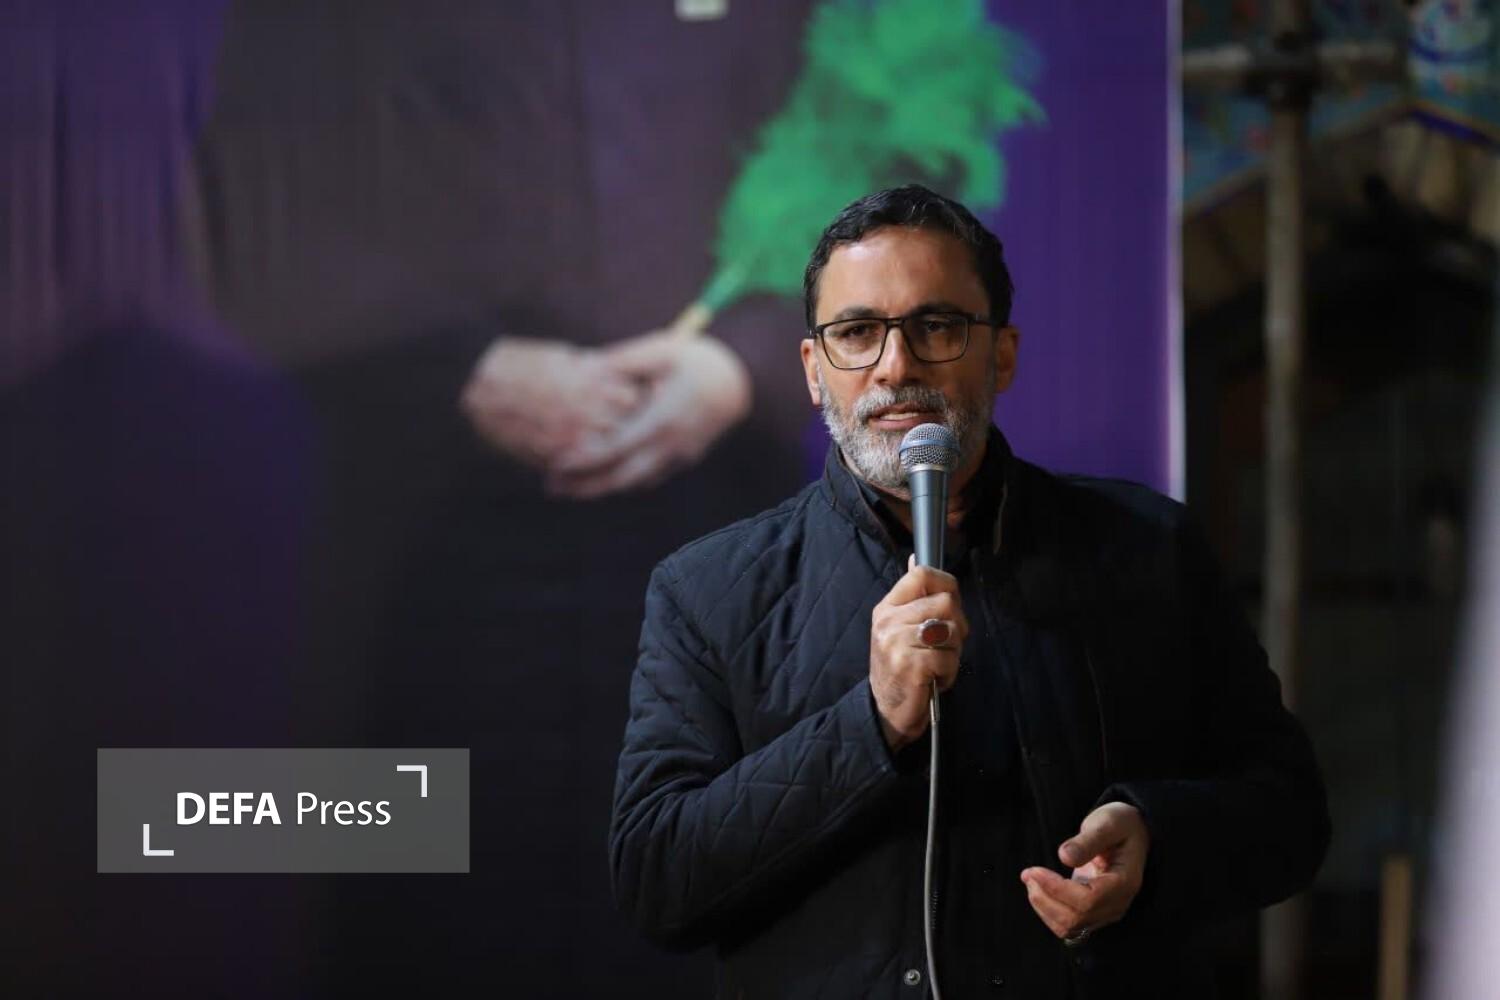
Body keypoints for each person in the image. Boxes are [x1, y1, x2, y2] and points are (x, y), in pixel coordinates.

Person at [609, 185, 1331, 998]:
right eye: (857, 333)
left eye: (937, 326)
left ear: (1003, 355)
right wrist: (871, 724)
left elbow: (1291, 814)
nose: (896, 366)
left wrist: (1154, 836)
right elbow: (657, 879)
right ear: (814, 370)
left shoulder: (1148, 551)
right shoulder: (708, 592)